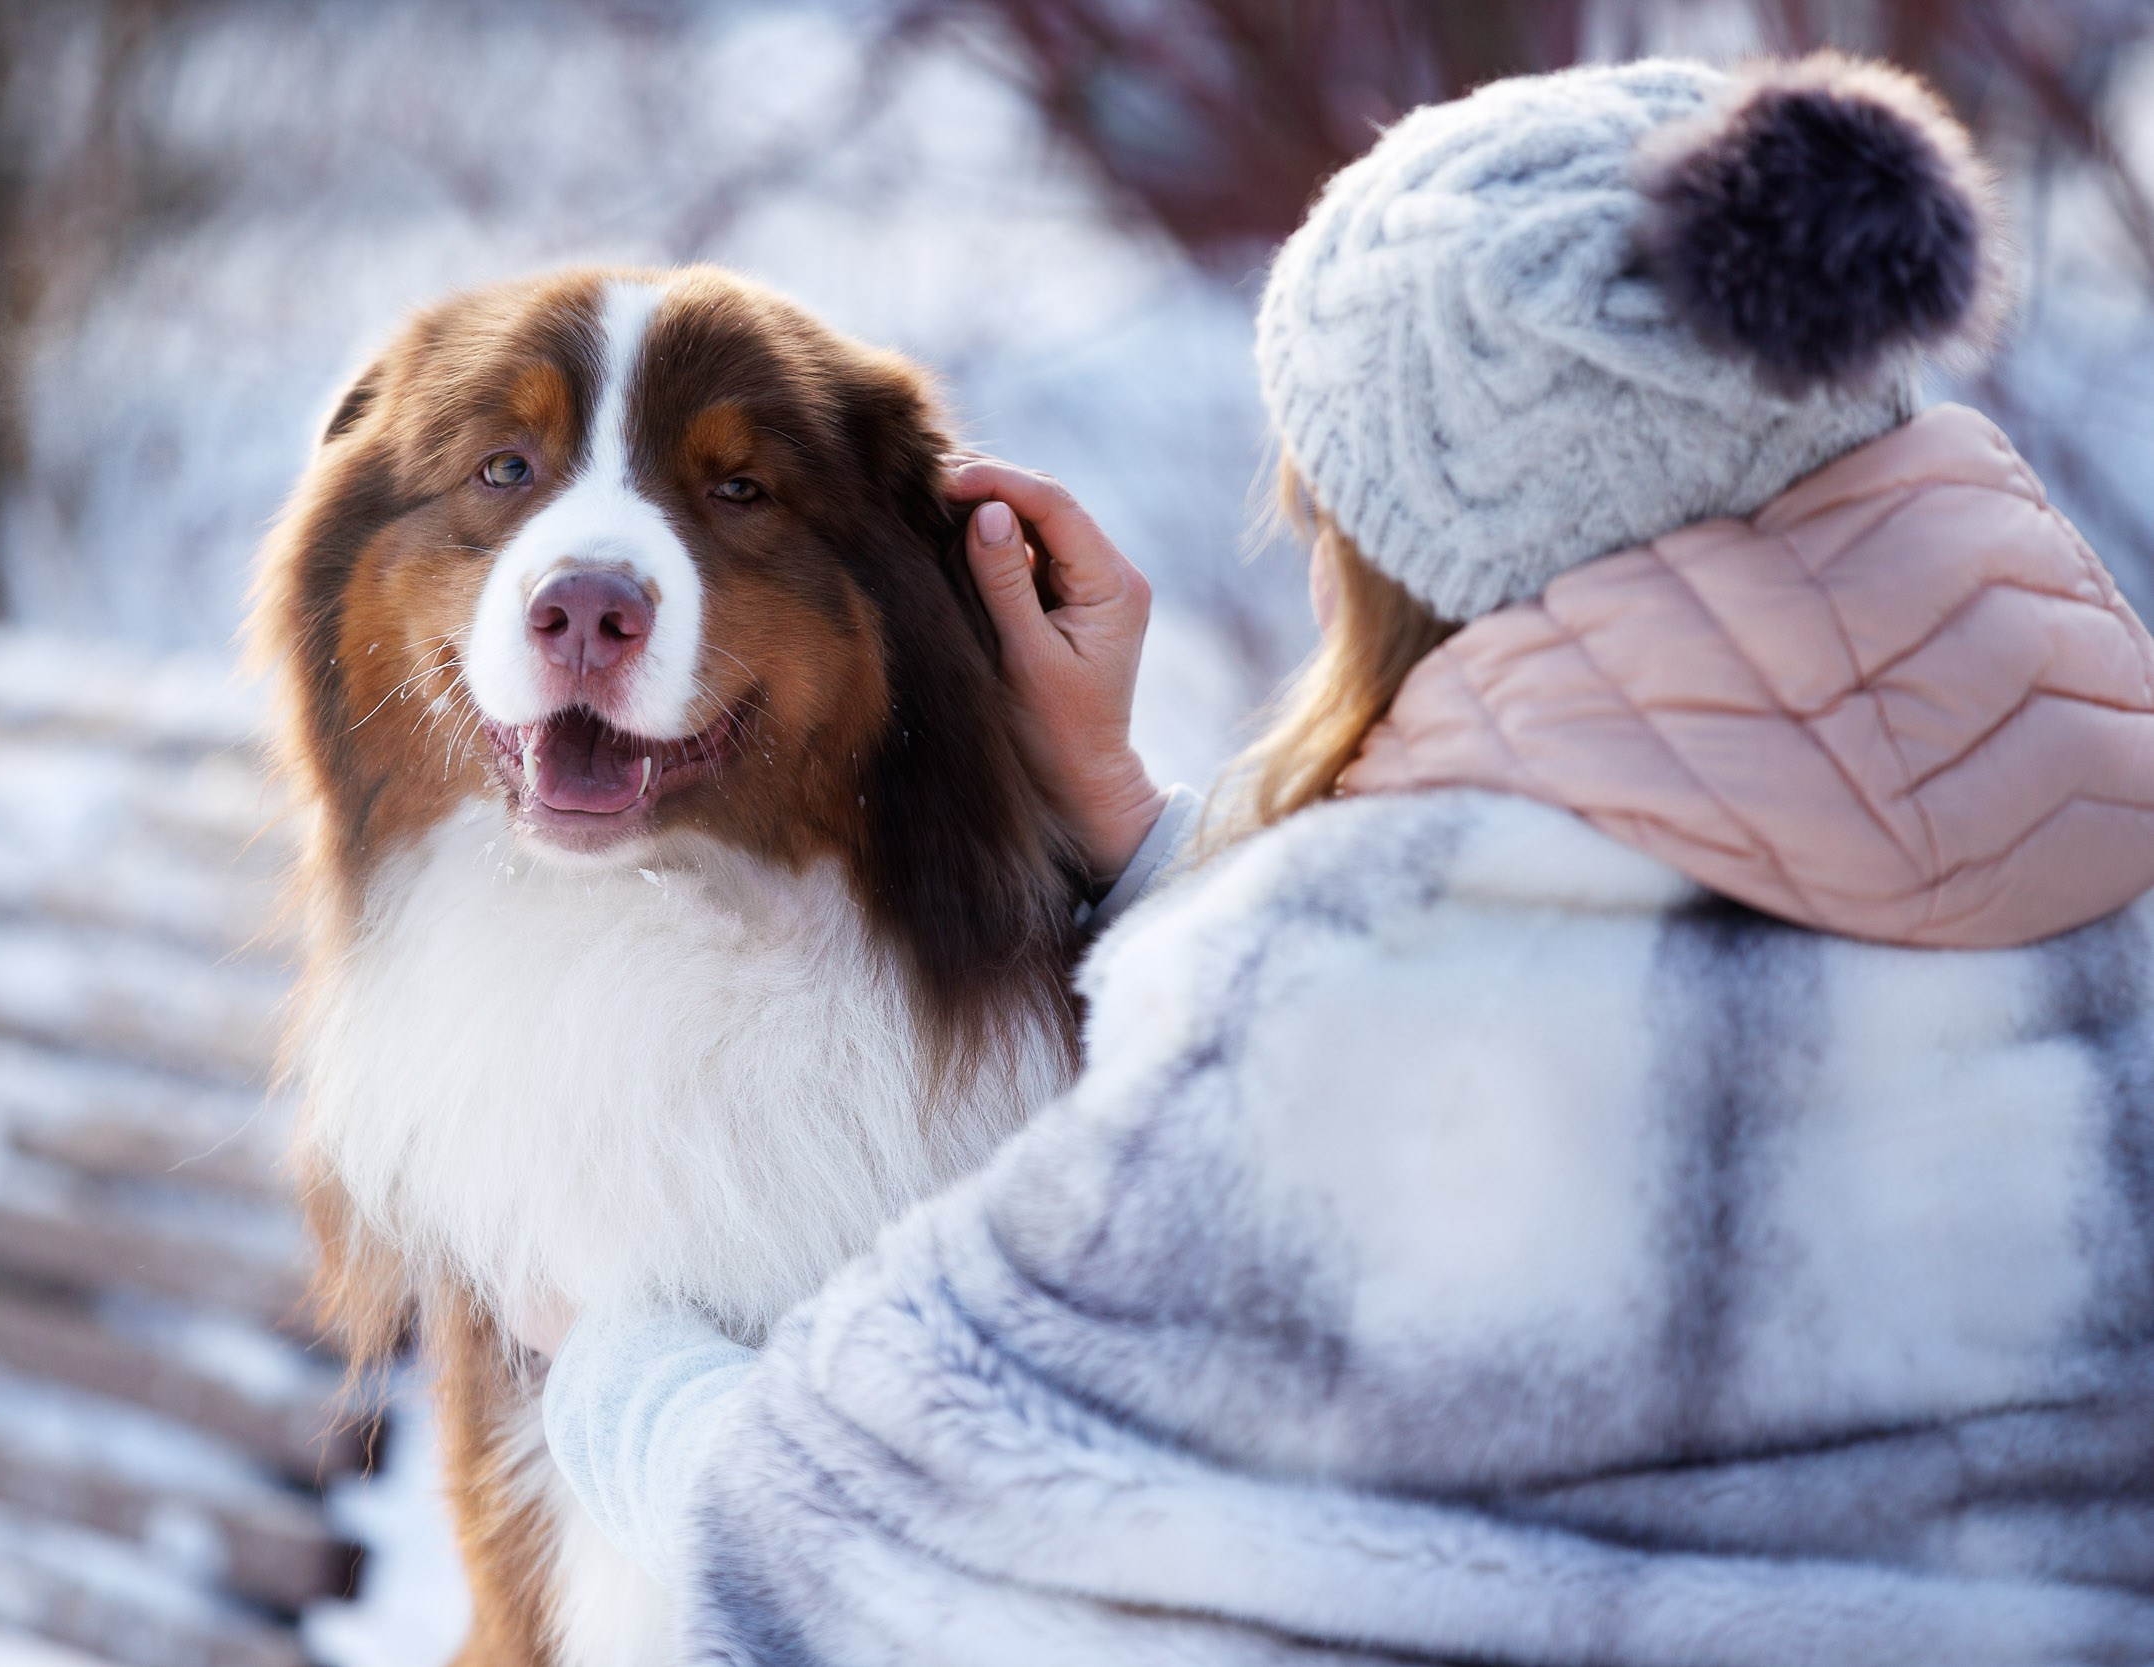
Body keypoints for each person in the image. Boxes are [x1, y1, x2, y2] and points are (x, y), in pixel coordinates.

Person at [531, 53, 2154, 1664]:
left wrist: (615, 1371)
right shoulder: (2101, 878)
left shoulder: (1371, 1010)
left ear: (1420, 555)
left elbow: (897, 1567)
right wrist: (1113, 805)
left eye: (1325, 511)